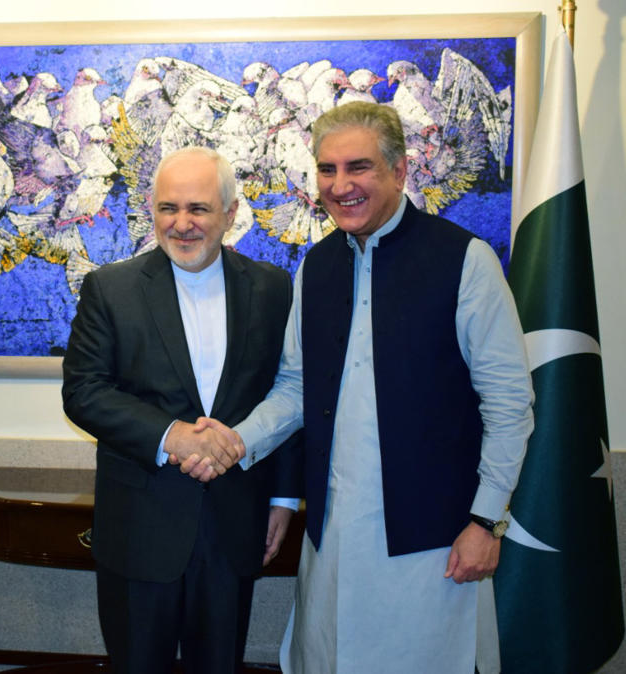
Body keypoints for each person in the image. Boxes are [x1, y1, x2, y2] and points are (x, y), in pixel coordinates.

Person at [188, 102, 535, 672]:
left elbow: (510, 404)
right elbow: (295, 388)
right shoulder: (317, 267)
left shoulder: (464, 262)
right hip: (332, 541)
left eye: (359, 168)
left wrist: (485, 522)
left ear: (400, 171)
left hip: (433, 547)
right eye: (327, 170)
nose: (340, 185)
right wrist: (233, 441)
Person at [62, 146, 300, 674]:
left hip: (235, 524)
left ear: (231, 214)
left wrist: (284, 496)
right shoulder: (110, 288)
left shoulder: (272, 287)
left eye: (198, 209)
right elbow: (83, 392)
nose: (182, 224)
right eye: (169, 208)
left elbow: (284, 394)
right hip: (140, 531)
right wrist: (175, 437)